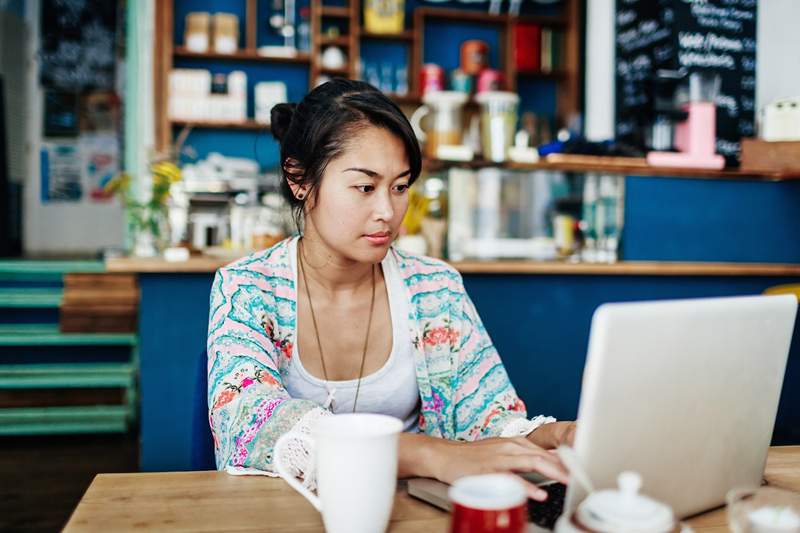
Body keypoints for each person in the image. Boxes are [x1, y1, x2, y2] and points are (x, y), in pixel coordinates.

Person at [206, 79, 575, 501]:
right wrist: (430, 454)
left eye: (399, 187)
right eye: (365, 187)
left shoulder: (435, 288)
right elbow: (250, 427)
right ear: (299, 179)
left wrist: (554, 434)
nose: (387, 211)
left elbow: (486, 419)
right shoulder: (246, 288)